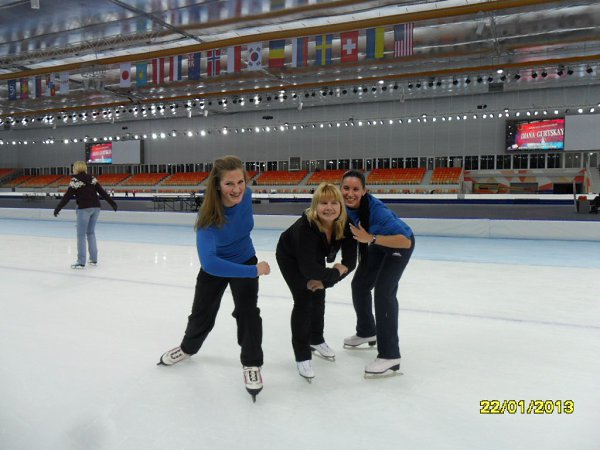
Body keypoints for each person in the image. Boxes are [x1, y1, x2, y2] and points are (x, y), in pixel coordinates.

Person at [157, 156, 271, 402]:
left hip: (244, 257)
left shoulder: (247, 195)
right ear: (217, 185)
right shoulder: (207, 219)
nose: (237, 189)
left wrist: (249, 267)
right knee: (202, 313)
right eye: (229, 184)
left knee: (248, 313)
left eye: (240, 182)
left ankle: (252, 363)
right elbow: (209, 263)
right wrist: (253, 271)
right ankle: (187, 348)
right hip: (218, 267)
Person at [276, 183, 356, 382]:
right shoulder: (306, 228)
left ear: (341, 206)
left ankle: (316, 339)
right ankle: (302, 355)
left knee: (319, 296)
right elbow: (308, 270)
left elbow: (350, 262)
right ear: (315, 206)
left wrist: (325, 283)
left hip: (313, 258)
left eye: (334, 203)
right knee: (304, 300)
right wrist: (334, 272)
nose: (329, 208)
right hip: (290, 257)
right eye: (323, 203)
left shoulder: (345, 224)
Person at [340, 170, 415, 377]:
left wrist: (371, 239)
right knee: (360, 285)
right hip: (377, 242)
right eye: (346, 188)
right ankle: (367, 331)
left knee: (383, 293)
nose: (350, 194)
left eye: (356, 189)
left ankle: (390, 355)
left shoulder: (378, 212)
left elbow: (405, 240)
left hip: (398, 244)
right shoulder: (343, 206)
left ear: (364, 191)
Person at [53, 161, 118, 269]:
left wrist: (58, 208)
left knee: (81, 235)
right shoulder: (92, 178)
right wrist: (112, 203)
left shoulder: (75, 180)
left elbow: (67, 196)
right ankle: (93, 259)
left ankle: (81, 261)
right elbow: (102, 192)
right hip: (96, 208)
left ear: (76, 168)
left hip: (84, 208)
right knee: (91, 233)